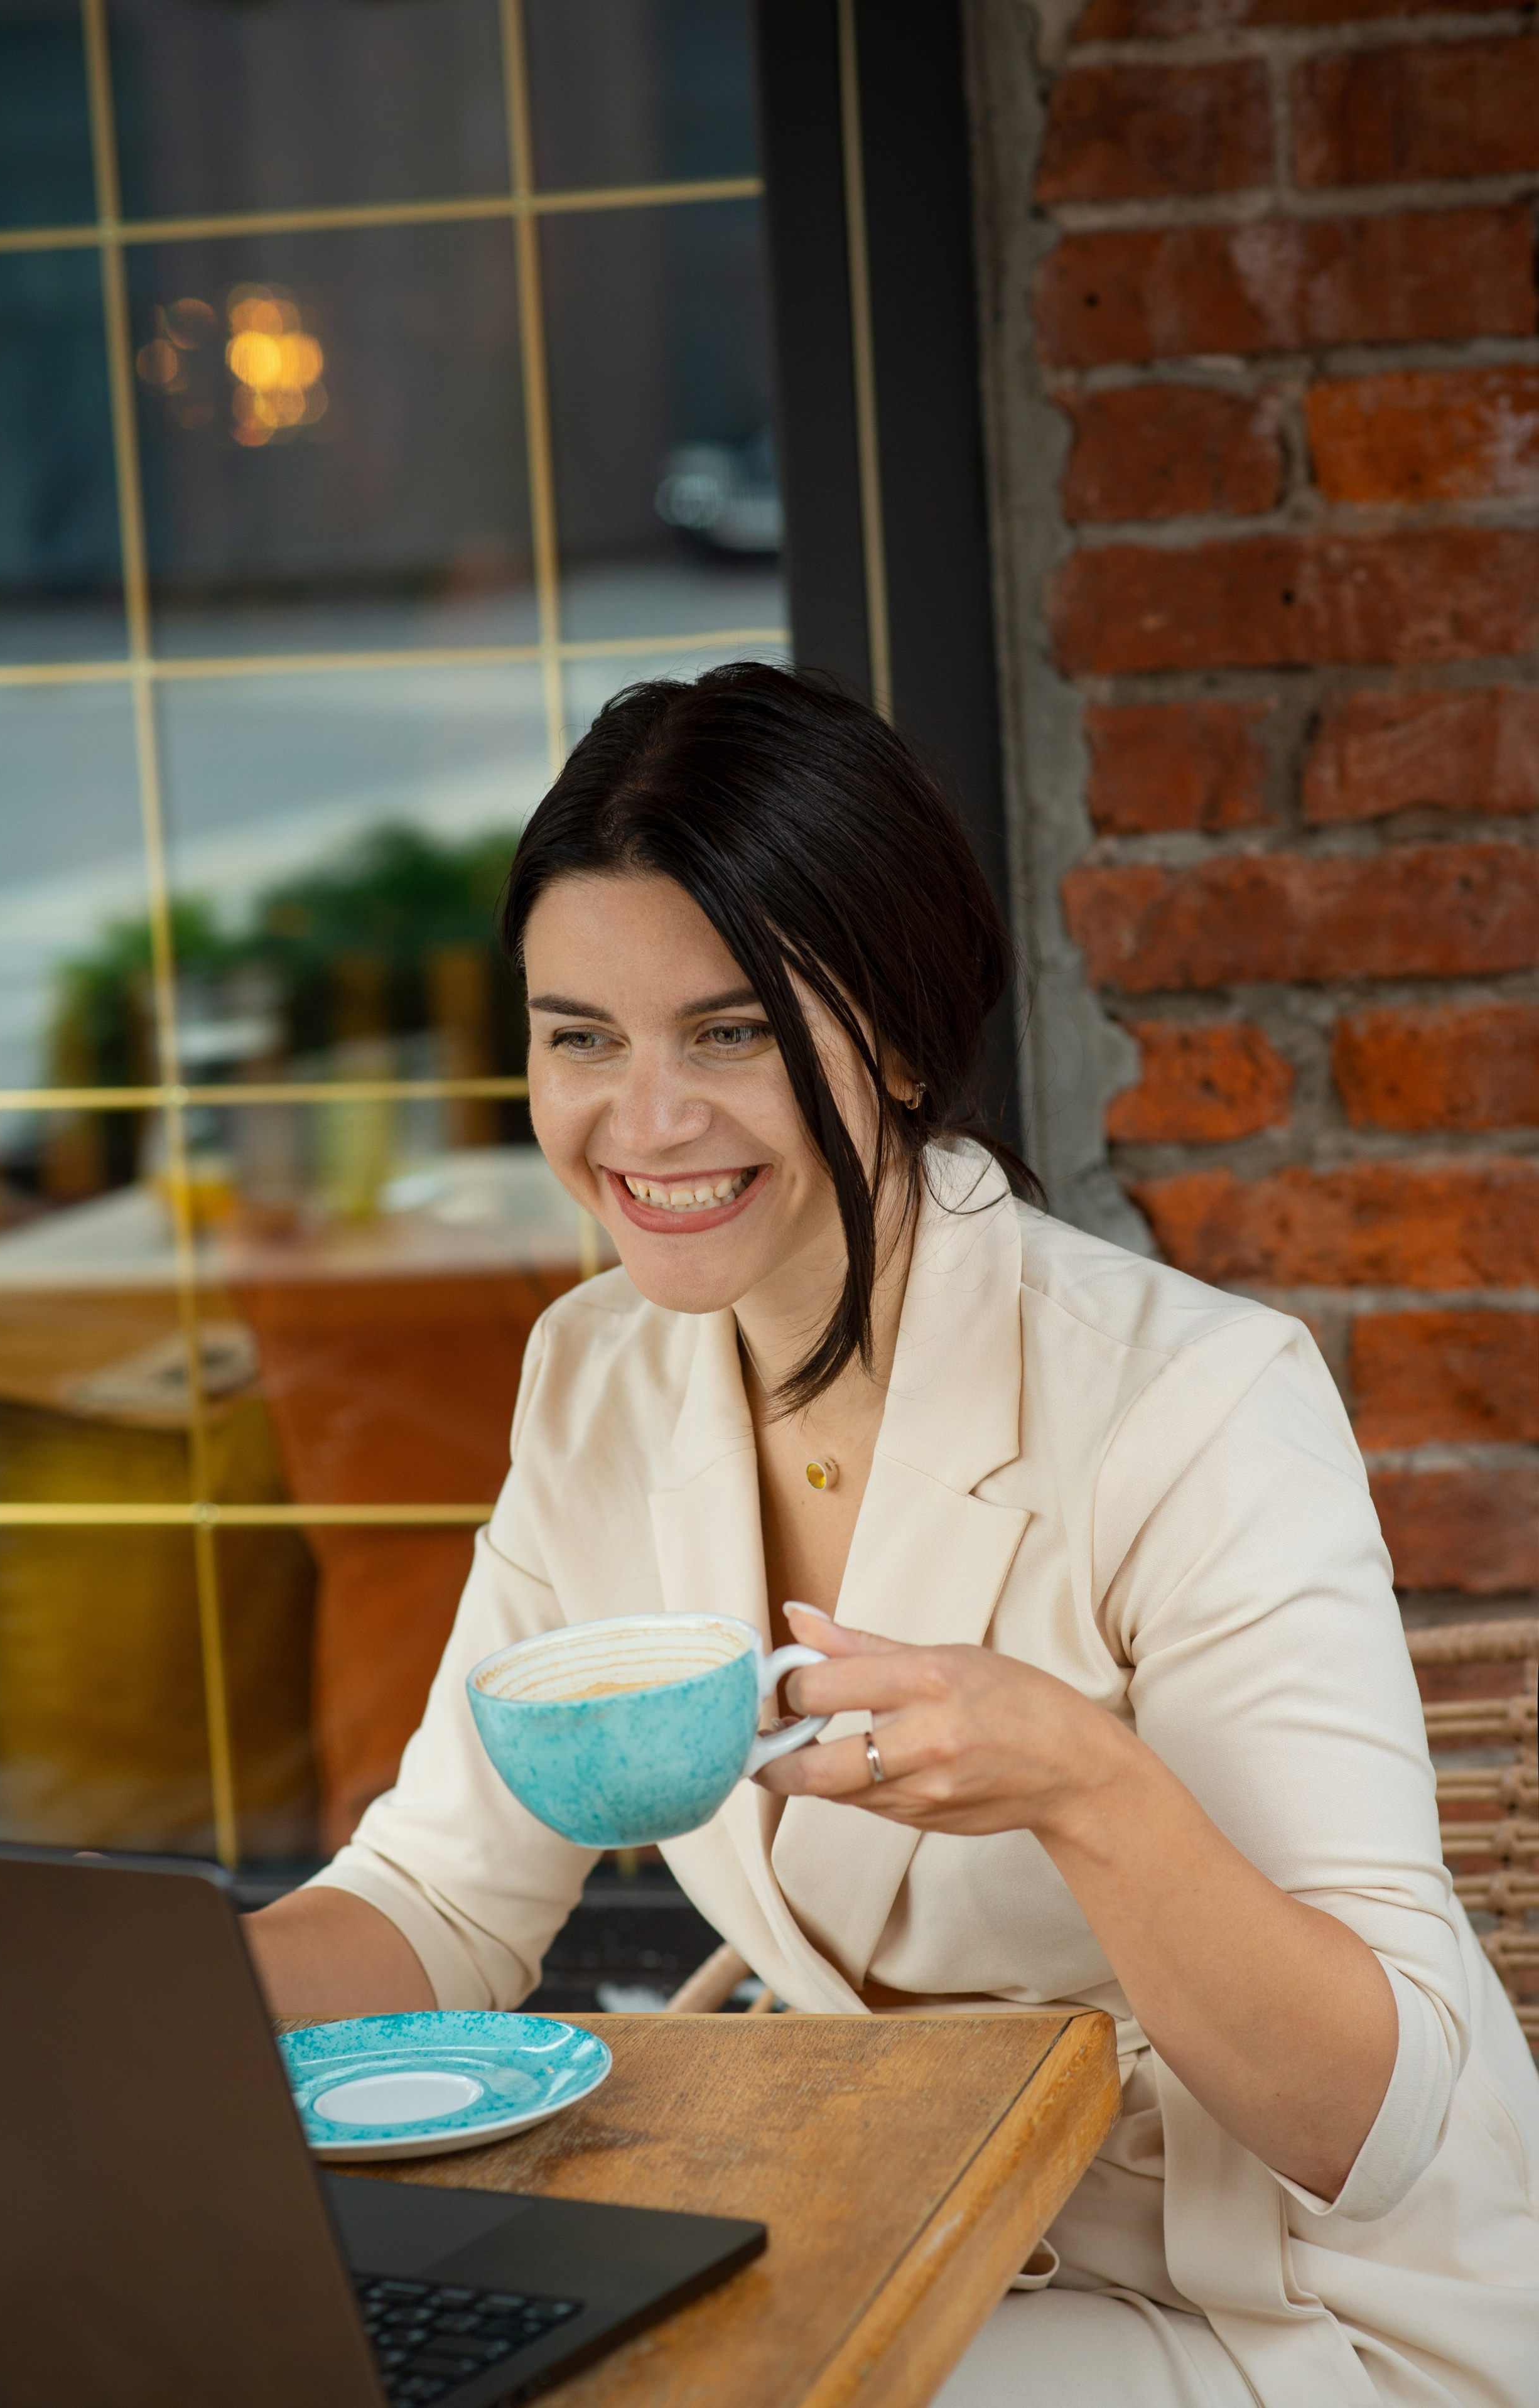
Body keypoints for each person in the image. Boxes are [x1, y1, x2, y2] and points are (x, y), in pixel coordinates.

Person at [249, 662, 1539, 2405]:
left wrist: (1088, 1783)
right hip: (916, 2233)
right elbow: (441, 1897)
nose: (645, 1122)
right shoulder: (595, 1382)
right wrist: (125, 2012)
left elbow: (1374, 2123)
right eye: (582, 1036)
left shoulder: (1199, 1403)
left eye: (731, 1031)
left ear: (904, 1037)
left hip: (1292, 2304)